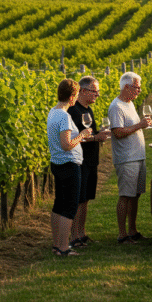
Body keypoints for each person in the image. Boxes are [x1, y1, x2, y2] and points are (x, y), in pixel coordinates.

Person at [47, 79, 92, 257]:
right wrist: (82, 135)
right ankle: (64, 247)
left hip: (57, 163)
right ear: (72, 97)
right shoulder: (64, 116)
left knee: (59, 204)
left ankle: (56, 245)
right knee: (70, 207)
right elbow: (66, 144)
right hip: (69, 164)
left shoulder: (52, 112)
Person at [108, 72, 152, 244]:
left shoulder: (129, 103)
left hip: (137, 157)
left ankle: (133, 231)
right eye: (137, 87)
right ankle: (122, 234)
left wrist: (139, 125)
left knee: (135, 195)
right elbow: (117, 132)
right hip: (126, 158)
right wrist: (140, 125)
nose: (139, 90)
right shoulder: (116, 107)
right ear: (126, 87)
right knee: (125, 195)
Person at [67, 75, 110, 248]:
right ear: (83, 91)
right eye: (95, 91)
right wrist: (95, 138)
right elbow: (75, 138)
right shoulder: (73, 111)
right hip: (80, 161)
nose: (97, 95)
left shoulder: (87, 109)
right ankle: (74, 236)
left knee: (86, 198)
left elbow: (89, 133)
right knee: (79, 198)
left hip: (92, 160)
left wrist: (101, 133)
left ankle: (81, 234)